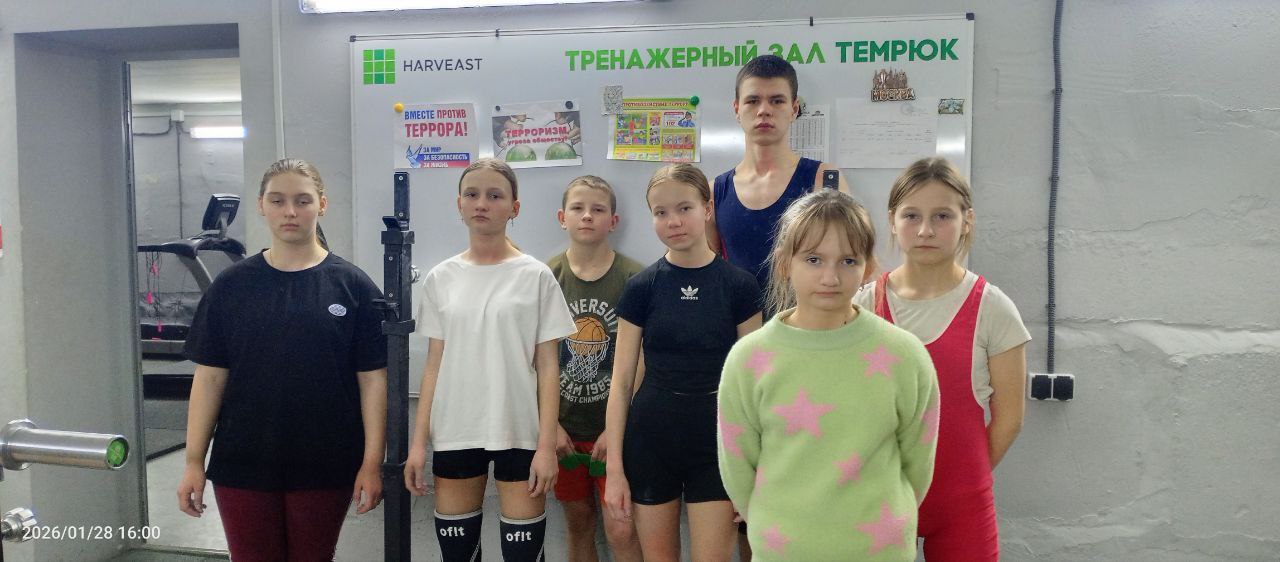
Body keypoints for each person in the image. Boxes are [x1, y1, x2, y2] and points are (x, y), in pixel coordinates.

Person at [178, 158, 387, 561]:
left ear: (322, 204)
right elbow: (210, 379)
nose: (290, 211)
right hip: (243, 462)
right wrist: (192, 461)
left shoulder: (353, 286)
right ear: (261, 205)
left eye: (302, 201)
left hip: (325, 462)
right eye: (277, 200)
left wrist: (371, 462)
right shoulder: (231, 286)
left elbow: (373, 380)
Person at [717, 189, 938, 560]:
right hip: (784, 552)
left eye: (848, 260)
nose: (831, 277)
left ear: (867, 267)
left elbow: (918, 465)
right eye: (814, 259)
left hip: (878, 552)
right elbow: (738, 469)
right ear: (785, 263)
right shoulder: (749, 359)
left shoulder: (905, 355)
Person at [854, 156, 1030, 561]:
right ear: (892, 221)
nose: (926, 230)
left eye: (942, 216)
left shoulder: (993, 308)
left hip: (962, 505)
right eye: (912, 216)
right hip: (878, 499)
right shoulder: (863, 304)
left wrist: (965, 481)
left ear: (967, 220)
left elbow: (1010, 419)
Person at [404, 158, 575, 562]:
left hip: (520, 431)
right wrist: (418, 444)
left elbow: (549, 368)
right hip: (456, 430)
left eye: (494, 195)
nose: (482, 203)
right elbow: (434, 365)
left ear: (514, 207)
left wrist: (546, 447)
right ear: (459, 204)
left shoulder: (536, 276)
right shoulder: (441, 278)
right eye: (472, 194)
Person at [602, 164, 763, 562]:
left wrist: (753, 466)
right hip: (652, 442)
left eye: (684, 208)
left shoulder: (740, 286)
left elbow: (753, 385)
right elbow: (621, 385)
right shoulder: (641, 287)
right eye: (661, 212)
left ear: (707, 209)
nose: (673, 221)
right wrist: (615, 471)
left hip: (717, 444)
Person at [546, 175, 645, 562]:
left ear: (613, 221)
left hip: (617, 432)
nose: (587, 216)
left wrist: (615, 430)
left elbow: (643, 361)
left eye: (598, 209)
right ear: (562, 218)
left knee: (621, 527)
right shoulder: (547, 277)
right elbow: (535, 360)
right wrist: (549, 426)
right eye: (578, 208)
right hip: (565, 432)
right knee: (578, 523)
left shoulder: (634, 279)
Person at [708, 54, 851, 312]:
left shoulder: (825, 180)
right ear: (737, 109)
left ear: (794, 109)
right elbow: (705, 270)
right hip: (737, 330)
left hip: (807, 328)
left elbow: (847, 260)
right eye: (753, 100)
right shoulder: (715, 191)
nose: (764, 110)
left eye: (777, 100)